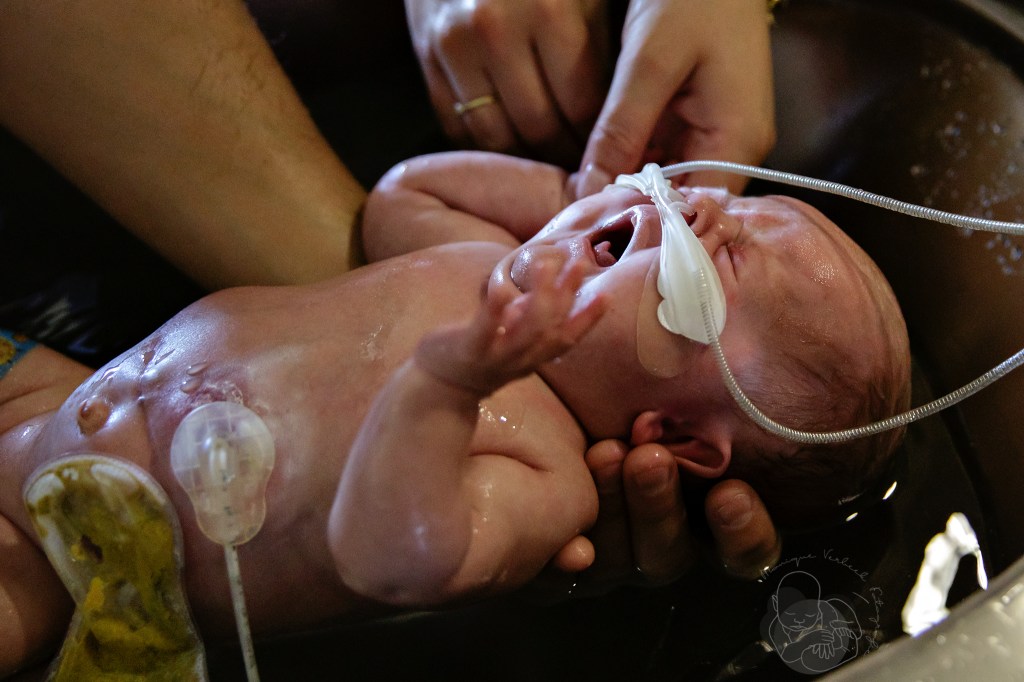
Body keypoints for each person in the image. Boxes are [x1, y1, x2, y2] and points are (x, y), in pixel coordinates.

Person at [0, 149, 908, 676]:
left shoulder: (545, 477)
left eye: (714, 269)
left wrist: (449, 384)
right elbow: (405, 192)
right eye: (702, 198)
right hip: (46, 404)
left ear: (674, 437)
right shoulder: (480, 260)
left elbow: (391, 558)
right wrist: (571, 196)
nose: (688, 217)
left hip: (76, 574)